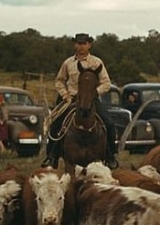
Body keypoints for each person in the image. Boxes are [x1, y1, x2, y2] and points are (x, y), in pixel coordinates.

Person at [42, 33, 118, 169]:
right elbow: (59, 80)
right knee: (56, 124)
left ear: (89, 45)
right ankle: (51, 156)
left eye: (84, 43)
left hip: (92, 99)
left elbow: (106, 82)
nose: (81, 46)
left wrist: (95, 92)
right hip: (72, 99)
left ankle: (111, 155)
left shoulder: (97, 62)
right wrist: (65, 94)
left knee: (109, 123)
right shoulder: (68, 63)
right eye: (78, 43)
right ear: (75, 45)